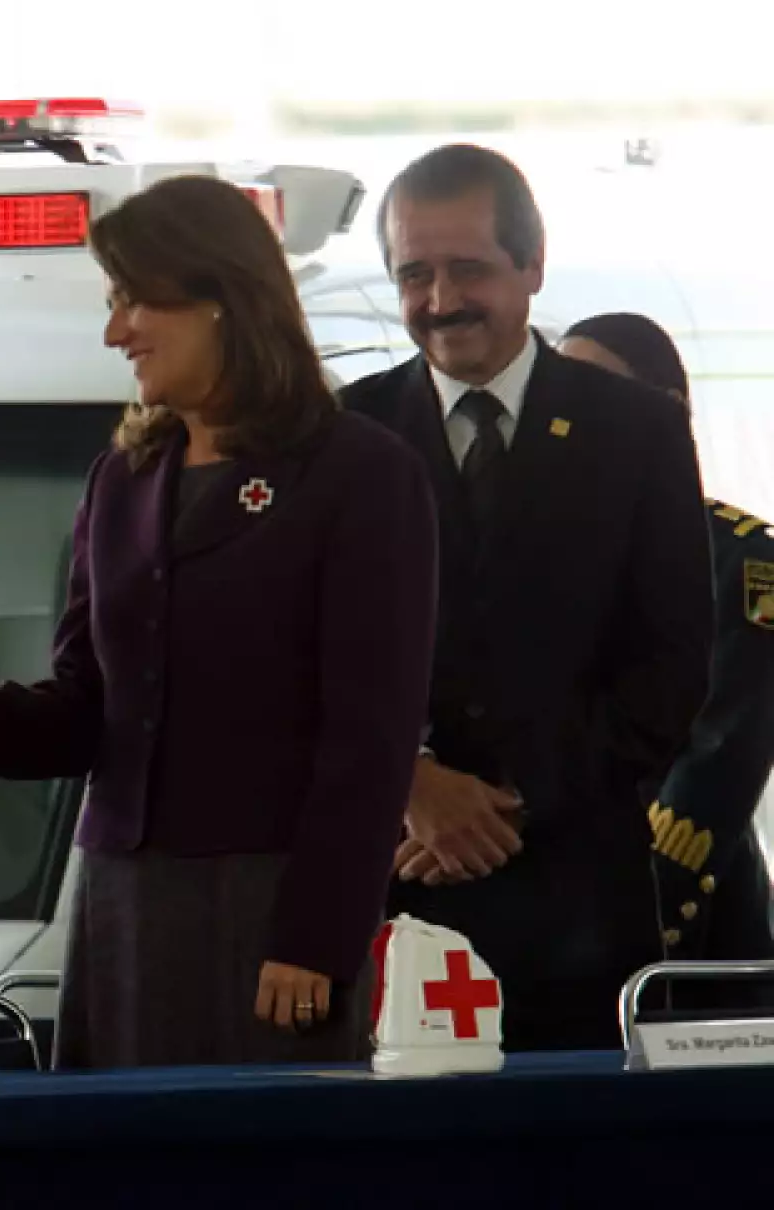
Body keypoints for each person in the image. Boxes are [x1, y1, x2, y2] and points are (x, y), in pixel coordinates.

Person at [0, 174, 439, 1070]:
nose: (115, 332)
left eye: (135, 301)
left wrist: (318, 933)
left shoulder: (359, 474)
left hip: (270, 903)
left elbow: (371, 739)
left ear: (223, 299)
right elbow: (83, 715)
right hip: (123, 898)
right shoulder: (124, 480)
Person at [342, 145, 715, 1051]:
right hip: (392, 903)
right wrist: (414, 786)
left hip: (576, 912)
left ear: (533, 265)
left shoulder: (636, 431)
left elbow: (670, 671)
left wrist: (502, 808)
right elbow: (313, 663)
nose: (439, 302)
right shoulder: (346, 434)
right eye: (414, 275)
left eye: (468, 269)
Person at [560, 312, 774, 984]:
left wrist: (652, 895)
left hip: (688, 911)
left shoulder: (741, 559)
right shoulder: (550, 555)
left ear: (668, 412)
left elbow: (723, 753)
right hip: (559, 898)